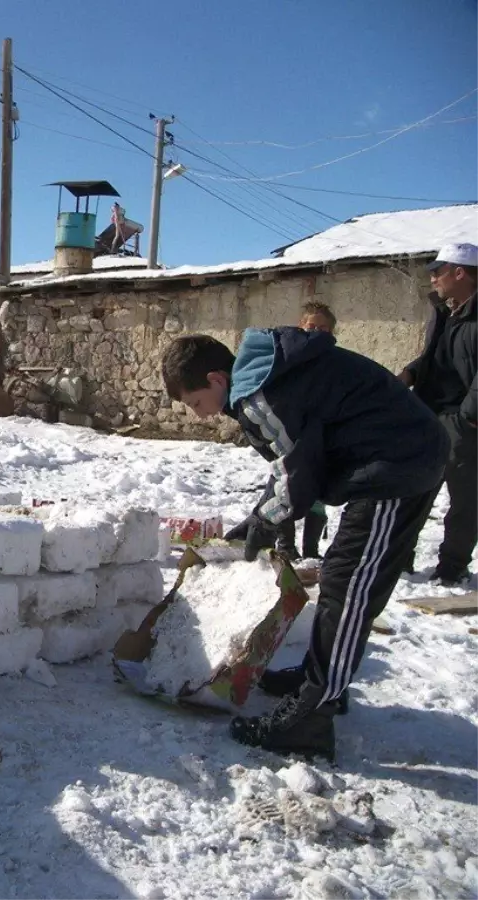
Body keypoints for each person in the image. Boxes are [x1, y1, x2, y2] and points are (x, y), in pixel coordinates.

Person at [161, 328, 447, 760]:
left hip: (395, 467)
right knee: (343, 580)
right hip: (398, 458)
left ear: (217, 380)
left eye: (196, 403)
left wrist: (266, 519)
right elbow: (293, 461)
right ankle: (317, 680)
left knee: (348, 589)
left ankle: (311, 716)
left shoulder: (257, 396)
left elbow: (298, 472)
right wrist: (259, 517)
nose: (201, 416)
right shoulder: (270, 376)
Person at [397, 242, 478, 585]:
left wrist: (468, 418)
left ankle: (451, 567)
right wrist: (410, 374)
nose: (432, 278)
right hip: (427, 416)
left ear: (459, 272)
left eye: (437, 271)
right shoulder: (444, 311)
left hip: (462, 421)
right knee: (413, 489)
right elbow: (434, 357)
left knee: (465, 500)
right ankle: (399, 559)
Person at [274, 302, 337, 560]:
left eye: (324, 328)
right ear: (301, 326)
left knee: (318, 492)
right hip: (291, 431)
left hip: (323, 433)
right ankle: (285, 545)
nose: (317, 332)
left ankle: (311, 549)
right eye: (312, 326)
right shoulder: (290, 355)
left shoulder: (335, 360)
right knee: (286, 487)